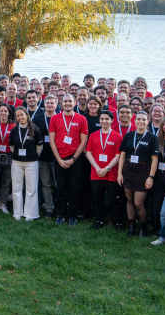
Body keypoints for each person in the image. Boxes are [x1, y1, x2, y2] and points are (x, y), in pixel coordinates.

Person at [49, 94, 89, 226]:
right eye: (65, 101)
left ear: (75, 103)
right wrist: (59, 159)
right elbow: (52, 141)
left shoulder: (81, 119)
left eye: (70, 101)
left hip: (75, 159)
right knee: (60, 188)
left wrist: (73, 159)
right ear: (61, 103)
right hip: (59, 158)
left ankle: (73, 216)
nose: (67, 103)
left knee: (74, 189)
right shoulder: (55, 119)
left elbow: (83, 142)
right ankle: (61, 214)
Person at [117, 111, 159, 236]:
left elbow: (155, 159)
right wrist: (120, 173)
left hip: (143, 171)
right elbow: (122, 155)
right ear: (135, 121)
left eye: (143, 119)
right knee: (129, 200)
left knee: (138, 203)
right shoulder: (129, 136)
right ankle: (131, 227)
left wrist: (151, 177)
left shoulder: (152, 138)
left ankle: (143, 228)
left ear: (147, 121)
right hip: (129, 170)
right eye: (138, 119)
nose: (141, 121)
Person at [85, 110, 122, 230]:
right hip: (96, 173)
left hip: (111, 173)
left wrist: (106, 168)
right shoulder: (93, 135)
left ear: (112, 120)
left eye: (107, 119)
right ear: (99, 120)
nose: (104, 121)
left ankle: (118, 222)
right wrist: (97, 168)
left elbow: (118, 155)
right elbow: (88, 152)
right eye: (102, 119)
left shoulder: (117, 136)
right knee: (97, 199)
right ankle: (99, 221)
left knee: (114, 200)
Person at [9, 107, 41, 221]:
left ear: (26, 115)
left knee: (31, 189)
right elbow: (12, 146)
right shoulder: (14, 130)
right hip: (17, 162)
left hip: (31, 163)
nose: (20, 117)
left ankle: (30, 214)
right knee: (16, 188)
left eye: (22, 115)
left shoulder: (35, 130)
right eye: (17, 116)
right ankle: (17, 214)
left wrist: (32, 156)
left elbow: (39, 147)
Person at [34, 94, 57, 216]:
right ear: (44, 104)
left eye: (52, 103)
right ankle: (49, 208)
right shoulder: (37, 118)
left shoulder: (60, 118)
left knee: (59, 184)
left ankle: (61, 206)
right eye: (47, 103)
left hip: (57, 156)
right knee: (46, 183)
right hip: (42, 157)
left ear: (56, 105)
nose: (49, 105)